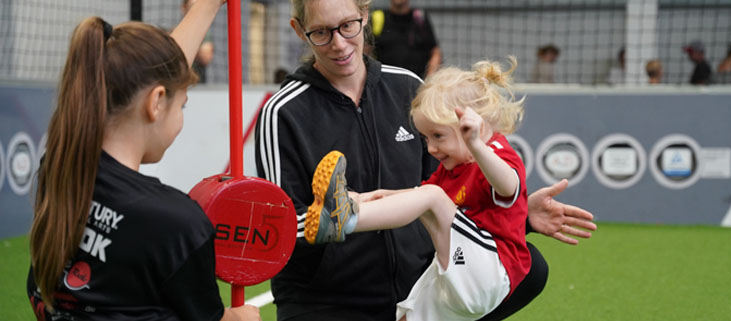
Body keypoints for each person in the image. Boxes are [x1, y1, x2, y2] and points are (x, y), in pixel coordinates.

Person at [254, 0, 596, 320]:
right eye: (321, 32)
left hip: (415, 285)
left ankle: (347, 217)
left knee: (532, 267)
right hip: (330, 303)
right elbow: (281, 229)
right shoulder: (283, 112)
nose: (339, 44)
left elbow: (449, 194)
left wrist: (517, 212)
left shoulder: (409, 88)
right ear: (299, 30)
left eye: (347, 26)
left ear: (364, 15)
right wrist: (342, 216)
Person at [26, 1, 260, 320]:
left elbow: (153, 76)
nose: (181, 117)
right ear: (157, 102)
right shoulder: (177, 224)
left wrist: (205, 7)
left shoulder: (58, 169)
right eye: (182, 106)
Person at [304, 58, 529, 321]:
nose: (430, 148)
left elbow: (508, 185)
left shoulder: (496, 153)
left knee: (432, 197)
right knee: (406, 316)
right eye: (426, 138)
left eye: (438, 136)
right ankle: (347, 211)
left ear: (473, 126)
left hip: (490, 270)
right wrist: (363, 198)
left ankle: (344, 220)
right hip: (459, 270)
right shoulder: (450, 170)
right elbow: (414, 198)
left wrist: (476, 146)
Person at [371, 0, 442, 78]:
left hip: (417, 82)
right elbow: (366, 53)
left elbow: (435, 52)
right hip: (385, 82)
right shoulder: (377, 18)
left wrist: (429, 79)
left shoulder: (419, 18)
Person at [182, 0, 215, 83]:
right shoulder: (176, 30)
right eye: (192, 6)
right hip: (180, 81)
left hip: (198, 83)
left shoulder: (204, 33)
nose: (195, 11)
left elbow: (206, 58)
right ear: (184, 8)